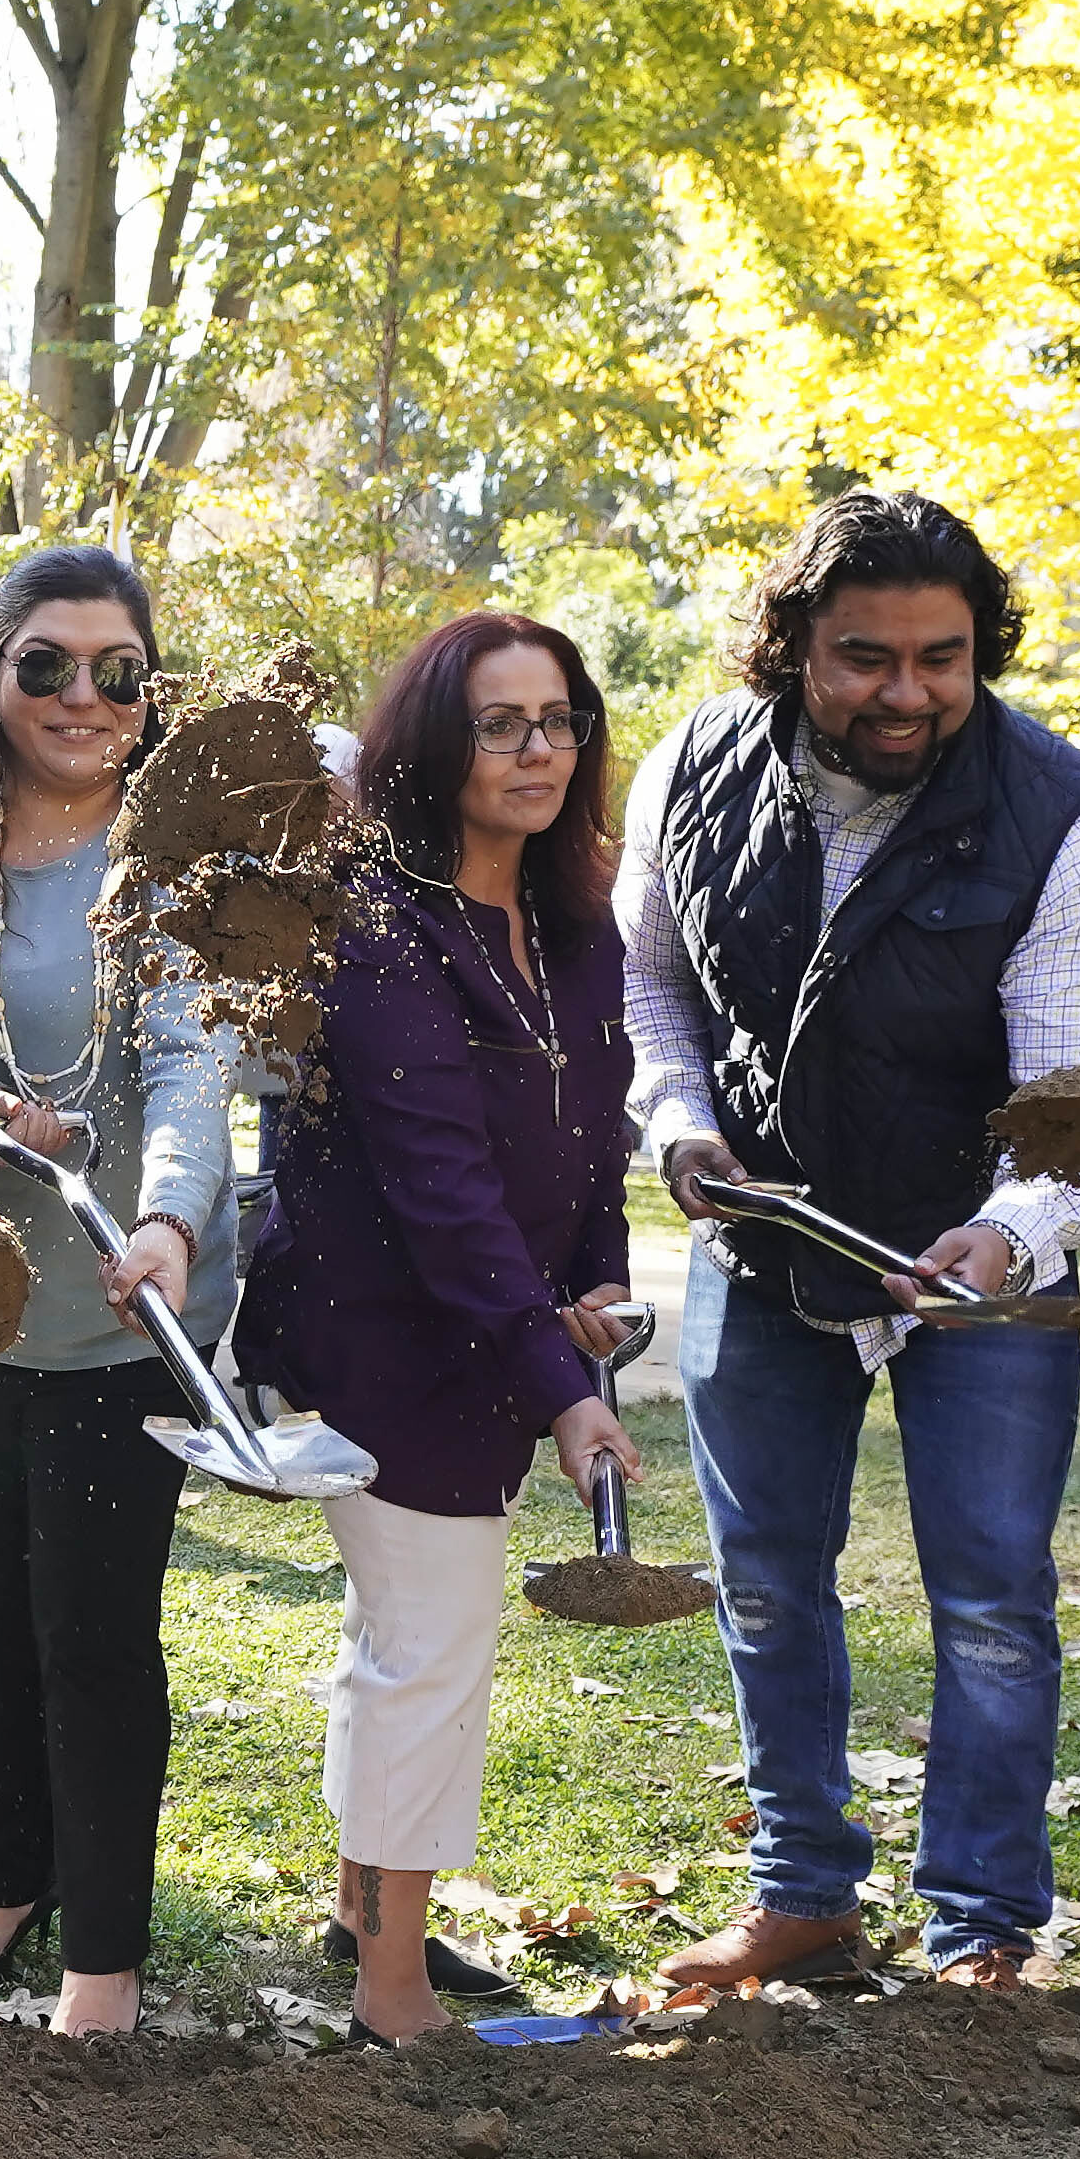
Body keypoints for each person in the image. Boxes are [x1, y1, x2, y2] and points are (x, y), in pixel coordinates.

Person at [630, 490, 1080, 1999]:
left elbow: (1076, 1101)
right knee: (769, 1582)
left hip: (979, 1278)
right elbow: (653, 993)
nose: (908, 692)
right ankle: (804, 1895)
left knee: (989, 1598)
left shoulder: (1074, 821)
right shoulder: (690, 767)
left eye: (944, 656)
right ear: (791, 646)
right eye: (865, 657)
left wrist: (1000, 1239)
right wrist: (674, 1125)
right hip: (764, 1250)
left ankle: (984, 1926)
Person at [241, 612, 640, 2042]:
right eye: (498, 722)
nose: (536, 749)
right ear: (433, 743)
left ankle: (364, 1906)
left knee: (400, 1629)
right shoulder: (379, 924)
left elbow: (595, 1131)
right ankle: (392, 1989)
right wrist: (560, 1384)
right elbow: (442, 1182)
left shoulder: (580, 925)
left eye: (557, 720)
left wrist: (596, 1280)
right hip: (385, 1332)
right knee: (433, 1634)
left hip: (505, 1326)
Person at [0, 549, 237, 2032]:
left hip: (123, 1307)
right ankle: (3, 1881)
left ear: (150, 692)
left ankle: (101, 1952)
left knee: (92, 1631)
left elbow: (190, 1059)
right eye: (47, 665)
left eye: (116, 671)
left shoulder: (178, 859)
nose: (82, 697)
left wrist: (165, 1218)